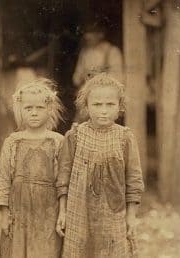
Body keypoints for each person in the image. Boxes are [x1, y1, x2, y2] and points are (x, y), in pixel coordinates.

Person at [58, 74, 144, 258]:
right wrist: (63, 211)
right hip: (78, 211)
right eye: (97, 104)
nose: (103, 111)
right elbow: (63, 177)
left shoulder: (125, 138)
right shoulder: (75, 136)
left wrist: (131, 216)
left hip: (113, 213)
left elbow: (134, 180)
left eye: (110, 104)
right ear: (86, 106)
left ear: (120, 107)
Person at [0, 78, 65, 258]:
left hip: (48, 209)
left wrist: (63, 211)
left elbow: (64, 179)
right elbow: (2, 177)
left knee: (46, 250)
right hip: (18, 209)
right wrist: (2, 210)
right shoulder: (12, 141)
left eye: (39, 108)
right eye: (28, 108)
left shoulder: (58, 141)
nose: (34, 113)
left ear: (49, 110)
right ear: (20, 110)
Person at [73, 22, 124, 88]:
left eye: (91, 32)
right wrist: (84, 76)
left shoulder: (112, 51)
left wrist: (98, 76)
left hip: (105, 93)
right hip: (87, 94)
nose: (87, 36)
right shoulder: (84, 52)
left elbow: (119, 79)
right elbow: (76, 79)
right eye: (86, 32)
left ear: (101, 34)